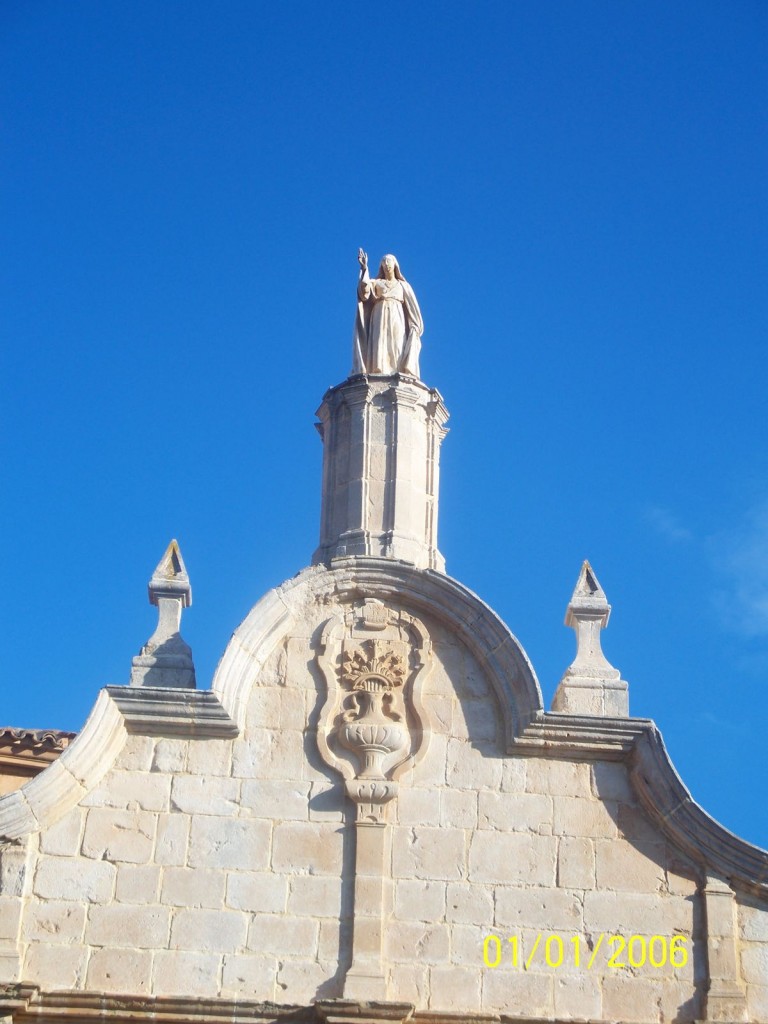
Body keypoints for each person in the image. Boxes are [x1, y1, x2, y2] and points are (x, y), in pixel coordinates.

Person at [352, 250, 423, 377]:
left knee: (397, 343)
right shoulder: (377, 283)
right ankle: (378, 369)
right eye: (384, 262)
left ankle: (397, 370)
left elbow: (413, 309)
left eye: (389, 261)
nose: (386, 264)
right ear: (381, 266)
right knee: (379, 341)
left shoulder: (403, 286)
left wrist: (415, 328)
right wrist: (364, 269)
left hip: (397, 315)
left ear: (395, 265)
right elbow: (364, 292)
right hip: (379, 314)